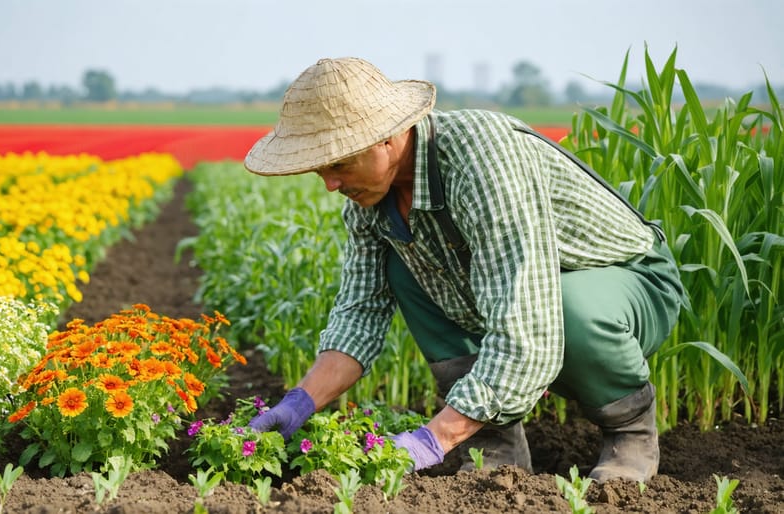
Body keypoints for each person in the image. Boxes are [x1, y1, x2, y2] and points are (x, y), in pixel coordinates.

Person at [242, 57, 685, 482]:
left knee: (570, 304)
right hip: (523, 298)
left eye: (338, 164)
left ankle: (630, 434)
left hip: (626, 284)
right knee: (404, 269)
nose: (331, 184)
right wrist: (297, 405)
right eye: (321, 171)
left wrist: (432, 439)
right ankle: (496, 444)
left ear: (386, 138)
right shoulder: (369, 203)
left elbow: (528, 324)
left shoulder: (482, 161)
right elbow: (359, 313)